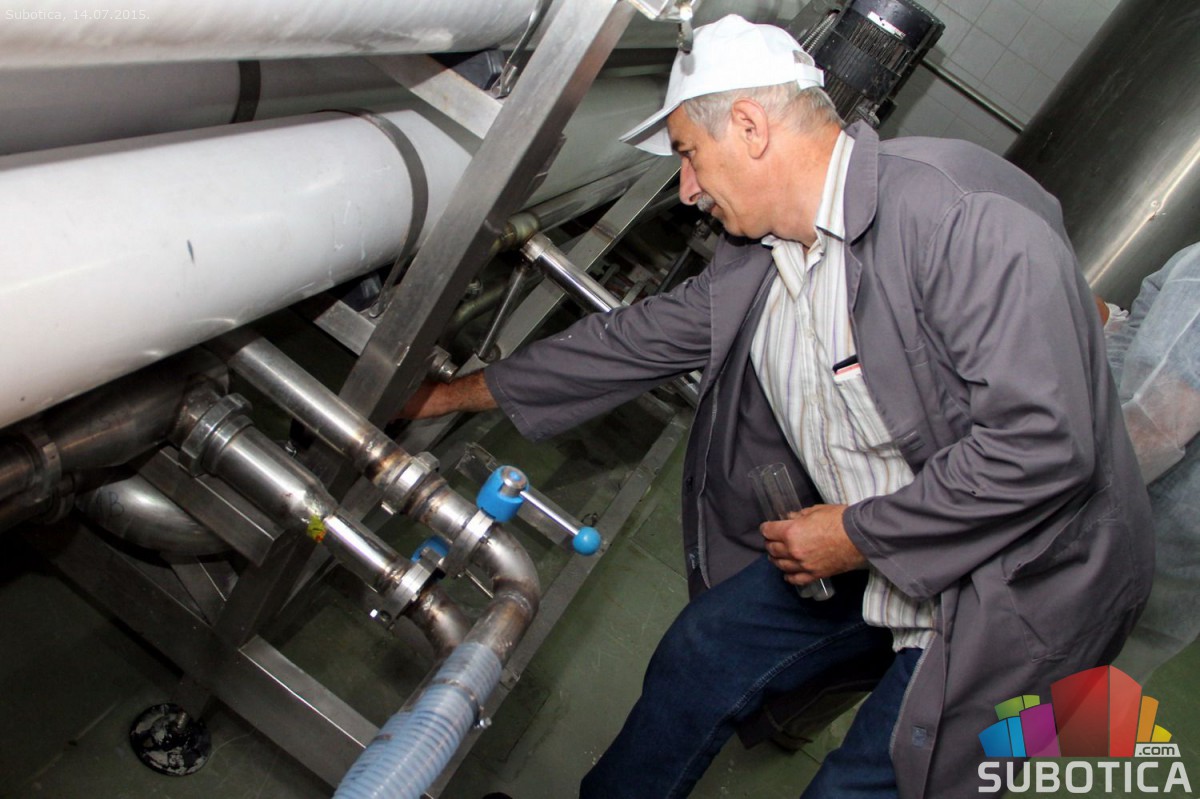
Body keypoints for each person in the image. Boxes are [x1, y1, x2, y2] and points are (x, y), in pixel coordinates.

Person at [400, 16, 1152, 798]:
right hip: (892, 529)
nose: (687, 189)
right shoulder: (768, 255)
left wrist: (854, 534)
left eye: (690, 153)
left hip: (1030, 582)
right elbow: (630, 341)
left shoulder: (958, 217)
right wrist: (446, 395)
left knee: (863, 787)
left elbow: (1042, 448)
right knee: (706, 652)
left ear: (751, 128)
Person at [1100, 243, 1200, 683]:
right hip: (1177, 582)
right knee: (1094, 690)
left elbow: (1153, 426)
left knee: (1002, 690)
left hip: (1113, 543)